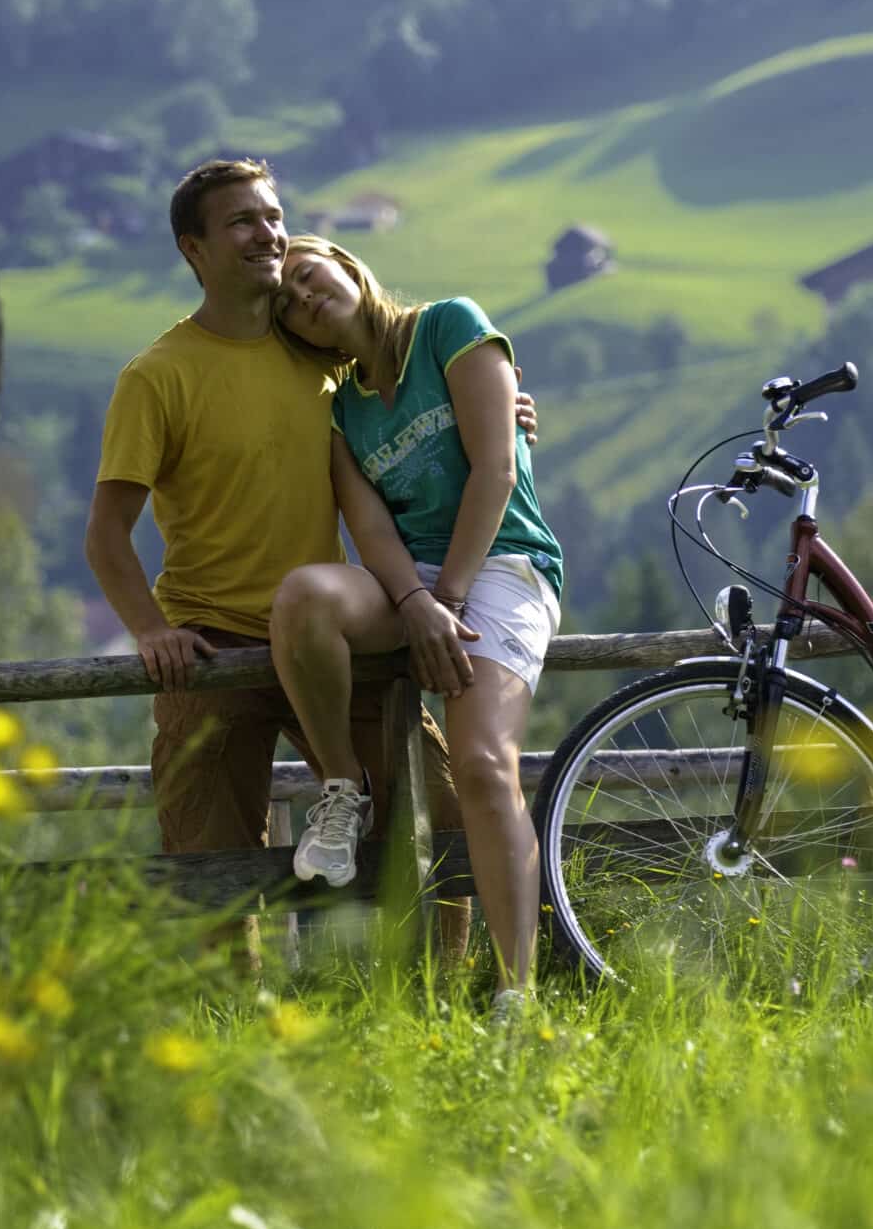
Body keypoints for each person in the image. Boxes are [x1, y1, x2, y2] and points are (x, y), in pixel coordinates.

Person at [83, 159, 536, 968]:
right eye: (241, 222)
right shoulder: (158, 376)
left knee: (437, 804)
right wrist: (149, 630)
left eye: (273, 215)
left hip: (329, 638)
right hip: (212, 644)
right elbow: (107, 533)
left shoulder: (319, 355)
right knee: (207, 859)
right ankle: (230, 1033)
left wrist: (506, 409)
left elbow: (417, 401)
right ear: (194, 248)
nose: (267, 234)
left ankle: (444, 1007)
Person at [268, 234, 563, 1012]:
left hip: (502, 564)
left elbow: (497, 470)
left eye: (306, 276)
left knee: (480, 764)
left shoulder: (450, 327)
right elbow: (372, 533)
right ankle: (344, 787)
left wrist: (452, 600)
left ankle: (516, 994)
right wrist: (415, 604)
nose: (305, 299)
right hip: (413, 587)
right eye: (290, 306)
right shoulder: (342, 417)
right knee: (304, 597)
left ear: (345, 263)